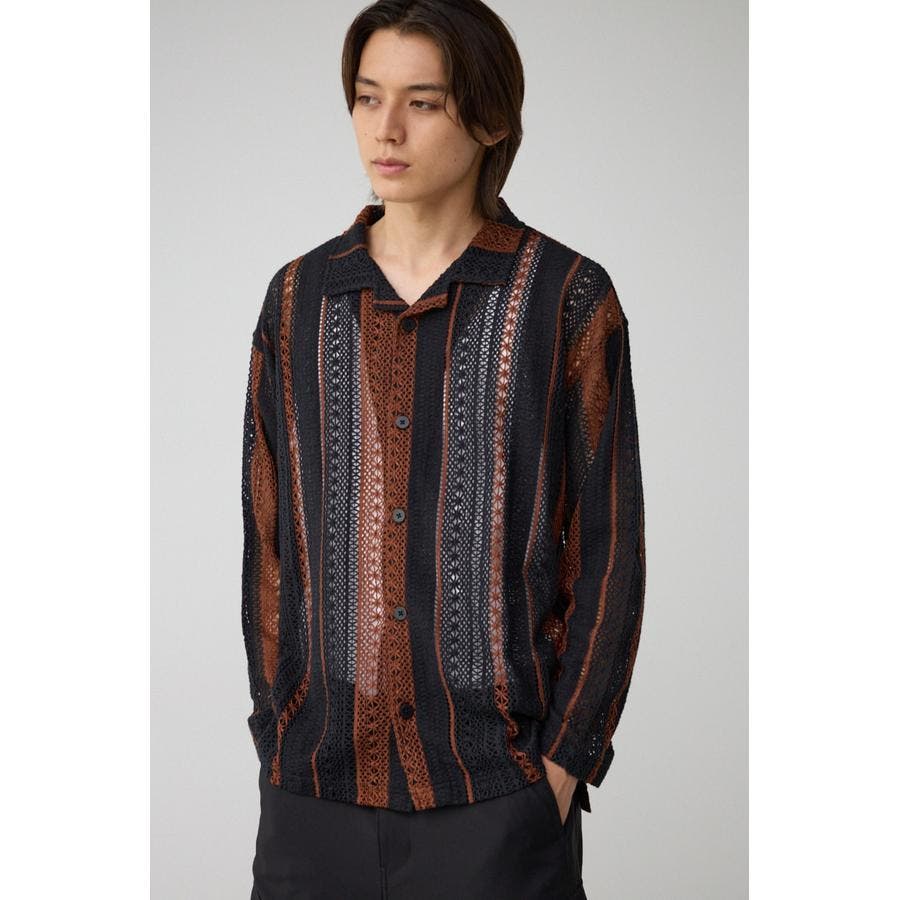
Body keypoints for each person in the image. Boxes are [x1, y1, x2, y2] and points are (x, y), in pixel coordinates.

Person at [241, 2, 646, 897]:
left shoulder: (566, 299)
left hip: (497, 800)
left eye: (422, 102)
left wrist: (561, 767)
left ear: (491, 119)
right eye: (367, 97)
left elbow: (609, 550)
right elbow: (269, 539)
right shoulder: (298, 299)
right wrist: (278, 730)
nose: (385, 129)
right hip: (313, 795)